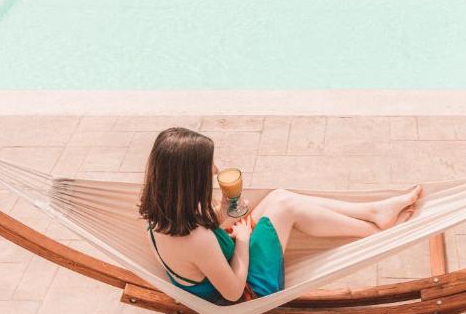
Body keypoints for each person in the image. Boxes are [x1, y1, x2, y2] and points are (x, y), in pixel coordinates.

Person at [139, 127, 422, 304]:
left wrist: (222, 214)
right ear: (188, 181)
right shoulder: (195, 239)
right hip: (250, 289)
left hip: (222, 257)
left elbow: (200, 242)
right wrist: (241, 241)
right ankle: (376, 232)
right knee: (286, 207)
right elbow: (233, 292)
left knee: (279, 196)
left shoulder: (162, 215)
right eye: (207, 168)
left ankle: (373, 212)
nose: (214, 171)